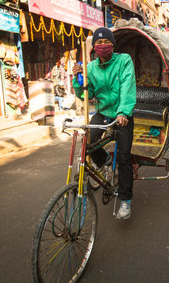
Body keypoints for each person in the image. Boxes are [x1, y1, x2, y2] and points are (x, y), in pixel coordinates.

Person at [72, 27, 136, 220]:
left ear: (112, 44)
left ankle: (125, 200)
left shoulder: (124, 61)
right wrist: (77, 79)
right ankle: (105, 161)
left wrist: (124, 112)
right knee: (88, 144)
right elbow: (87, 95)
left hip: (122, 114)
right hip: (103, 113)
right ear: (94, 47)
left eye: (105, 42)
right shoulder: (90, 68)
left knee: (124, 157)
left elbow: (127, 85)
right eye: (98, 43)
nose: (102, 46)